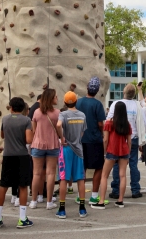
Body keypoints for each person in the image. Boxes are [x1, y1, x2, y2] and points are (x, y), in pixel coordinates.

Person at [0, 97, 33, 229]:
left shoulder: (5, 119)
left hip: (8, 155)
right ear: (23, 108)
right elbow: (28, 139)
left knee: (3, 186)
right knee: (22, 186)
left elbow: (3, 135)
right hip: (22, 155)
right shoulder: (27, 120)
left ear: (11, 107)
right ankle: (22, 218)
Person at [107, 83, 146, 199]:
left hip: (118, 138)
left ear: (124, 92)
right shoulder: (137, 105)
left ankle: (116, 190)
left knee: (116, 165)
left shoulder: (115, 104)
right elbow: (141, 123)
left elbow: (109, 120)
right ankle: (135, 189)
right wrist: (141, 142)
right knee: (133, 164)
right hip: (133, 138)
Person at [91, 102, 132, 209]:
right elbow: (129, 141)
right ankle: (120, 200)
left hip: (112, 150)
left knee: (104, 176)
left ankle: (101, 201)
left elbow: (105, 139)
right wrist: (129, 153)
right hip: (124, 151)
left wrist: (104, 152)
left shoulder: (109, 123)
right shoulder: (127, 124)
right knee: (122, 175)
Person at [56, 91, 87, 219]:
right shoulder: (82, 115)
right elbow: (82, 133)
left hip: (66, 149)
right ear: (76, 101)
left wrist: (61, 137)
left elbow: (58, 125)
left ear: (64, 102)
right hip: (78, 149)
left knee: (63, 178)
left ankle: (62, 209)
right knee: (80, 178)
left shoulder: (63, 114)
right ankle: (82, 208)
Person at [76, 77, 107, 205]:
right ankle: (94, 195)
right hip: (94, 139)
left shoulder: (78, 102)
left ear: (87, 87)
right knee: (99, 167)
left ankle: (80, 195)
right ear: (97, 90)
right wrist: (102, 133)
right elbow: (101, 123)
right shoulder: (97, 104)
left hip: (79, 139)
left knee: (81, 168)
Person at [30, 88, 59, 210]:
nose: (57, 98)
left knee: (36, 173)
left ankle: (34, 201)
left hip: (37, 144)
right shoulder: (57, 113)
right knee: (51, 173)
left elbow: (34, 129)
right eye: (55, 96)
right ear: (51, 99)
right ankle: (49, 202)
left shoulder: (37, 112)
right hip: (52, 145)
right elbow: (59, 130)